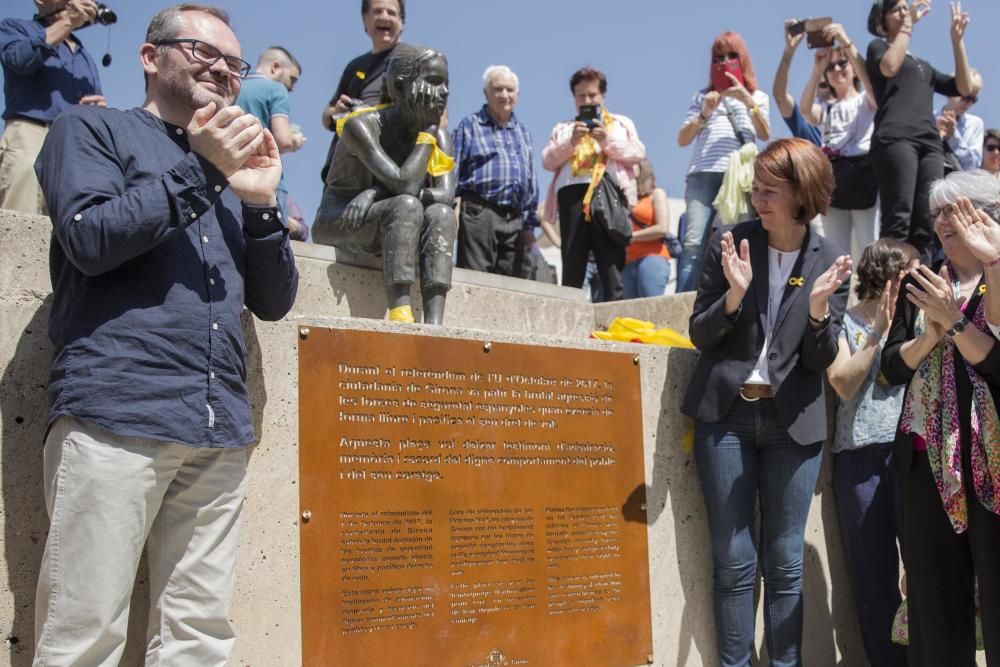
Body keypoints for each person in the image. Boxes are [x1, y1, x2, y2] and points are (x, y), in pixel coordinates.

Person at [30, 5, 298, 664]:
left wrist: (260, 202)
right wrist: (204, 169)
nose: (223, 71)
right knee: (83, 634)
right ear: (151, 58)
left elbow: (273, 301)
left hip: (217, 429)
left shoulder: (235, 168)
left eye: (235, 64)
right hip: (115, 411)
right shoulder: (87, 128)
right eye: (203, 52)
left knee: (199, 637)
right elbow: (90, 238)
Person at [682, 138, 851, 666]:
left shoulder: (829, 259)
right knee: (732, 561)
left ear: (803, 193)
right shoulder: (728, 242)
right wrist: (733, 297)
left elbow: (818, 359)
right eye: (755, 188)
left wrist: (820, 311)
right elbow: (699, 335)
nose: (758, 199)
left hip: (793, 424)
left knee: (784, 562)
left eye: (770, 191)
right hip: (725, 419)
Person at [881, 170, 1000, 665]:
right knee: (932, 603)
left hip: (991, 465)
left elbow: (995, 364)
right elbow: (890, 368)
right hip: (926, 463)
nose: (943, 221)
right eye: (938, 213)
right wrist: (930, 335)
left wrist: (953, 321)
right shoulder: (920, 280)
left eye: (956, 208)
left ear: (985, 216)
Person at [312, 44, 455, 325]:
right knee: (406, 205)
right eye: (435, 82)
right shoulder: (362, 126)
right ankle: (401, 313)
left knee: (441, 215)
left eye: (447, 84)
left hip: (387, 211)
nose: (445, 93)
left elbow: (446, 196)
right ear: (401, 88)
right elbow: (404, 186)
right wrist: (426, 133)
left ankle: (436, 324)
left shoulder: (440, 136)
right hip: (341, 218)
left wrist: (373, 192)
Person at [825, 238, 917, 667]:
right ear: (890, 275)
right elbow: (842, 382)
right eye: (912, 272)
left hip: (914, 453)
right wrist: (877, 332)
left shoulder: (923, 321)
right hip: (860, 456)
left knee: (925, 570)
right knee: (874, 580)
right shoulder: (841, 320)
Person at [866, 0, 976, 263]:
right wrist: (907, 27)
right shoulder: (878, 47)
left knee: (925, 225)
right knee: (898, 220)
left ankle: (917, 298)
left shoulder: (923, 65)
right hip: (895, 139)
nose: (905, 11)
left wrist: (956, 40)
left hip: (929, 144)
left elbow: (963, 86)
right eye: (897, 9)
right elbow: (889, 67)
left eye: (907, 7)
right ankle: (889, 295)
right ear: (882, 20)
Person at [677, 31, 771, 292]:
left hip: (740, 177)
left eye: (732, 56)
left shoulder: (758, 96)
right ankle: (683, 301)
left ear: (743, 60)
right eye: (719, 57)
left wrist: (747, 100)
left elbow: (764, 133)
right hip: (702, 172)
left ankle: (737, 298)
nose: (725, 62)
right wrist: (704, 112)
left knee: (738, 239)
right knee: (693, 242)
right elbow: (682, 139)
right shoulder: (701, 97)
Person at [541, 67, 644, 301]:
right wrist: (571, 142)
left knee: (611, 267)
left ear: (602, 96)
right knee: (572, 264)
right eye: (581, 96)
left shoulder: (619, 124)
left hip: (608, 193)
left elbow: (637, 152)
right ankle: (569, 326)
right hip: (572, 195)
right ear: (574, 98)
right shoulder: (564, 128)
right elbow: (547, 160)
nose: (587, 100)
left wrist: (605, 139)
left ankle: (614, 327)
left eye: (592, 95)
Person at [0, 0, 105, 214]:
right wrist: (67, 22)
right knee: (20, 215)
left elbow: (96, 98)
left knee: (71, 224)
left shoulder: (84, 54)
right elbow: (20, 60)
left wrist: (99, 111)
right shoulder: (14, 28)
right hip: (30, 133)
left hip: (74, 143)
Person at [801, 23, 878, 262]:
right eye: (831, 67)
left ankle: (874, 296)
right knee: (835, 252)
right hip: (835, 177)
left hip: (864, 174)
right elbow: (804, 110)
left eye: (842, 63)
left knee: (869, 246)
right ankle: (839, 298)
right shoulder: (826, 108)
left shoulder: (866, 99)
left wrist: (845, 42)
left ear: (852, 68)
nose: (836, 70)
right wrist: (817, 69)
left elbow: (873, 89)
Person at [452, 65, 537, 277]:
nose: (504, 95)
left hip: (514, 219)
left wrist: (528, 227)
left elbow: (531, 181)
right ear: (486, 93)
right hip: (479, 213)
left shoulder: (523, 132)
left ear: (518, 94)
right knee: (476, 280)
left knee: (511, 284)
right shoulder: (470, 125)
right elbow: (452, 170)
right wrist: (449, 211)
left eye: (509, 90)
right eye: (498, 89)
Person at [319, 0, 404, 182]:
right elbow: (326, 119)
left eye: (391, 12)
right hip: (348, 164)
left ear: (402, 22)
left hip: (393, 162)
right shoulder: (354, 67)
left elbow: (439, 116)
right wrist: (338, 111)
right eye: (378, 11)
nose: (384, 17)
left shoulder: (413, 59)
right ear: (365, 19)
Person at [236, 46, 304, 218]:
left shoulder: (234, 86)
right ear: (275, 67)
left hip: (231, 178)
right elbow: (283, 140)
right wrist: (295, 141)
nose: (293, 87)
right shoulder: (276, 89)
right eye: (292, 78)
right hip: (266, 180)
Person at [624, 159, 671, 299]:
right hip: (628, 262)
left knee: (650, 311)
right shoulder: (626, 199)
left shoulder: (656, 194)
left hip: (652, 258)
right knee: (630, 316)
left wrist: (630, 236)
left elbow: (663, 228)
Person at [772, 19, 822, 146]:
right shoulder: (806, 123)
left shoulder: (861, 110)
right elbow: (780, 95)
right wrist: (789, 51)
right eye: (822, 85)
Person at [936, 70, 984, 174]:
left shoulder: (975, 124)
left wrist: (953, 136)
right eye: (965, 97)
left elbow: (973, 166)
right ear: (950, 92)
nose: (969, 103)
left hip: (958, 186)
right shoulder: (929, 117)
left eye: (973, 99)